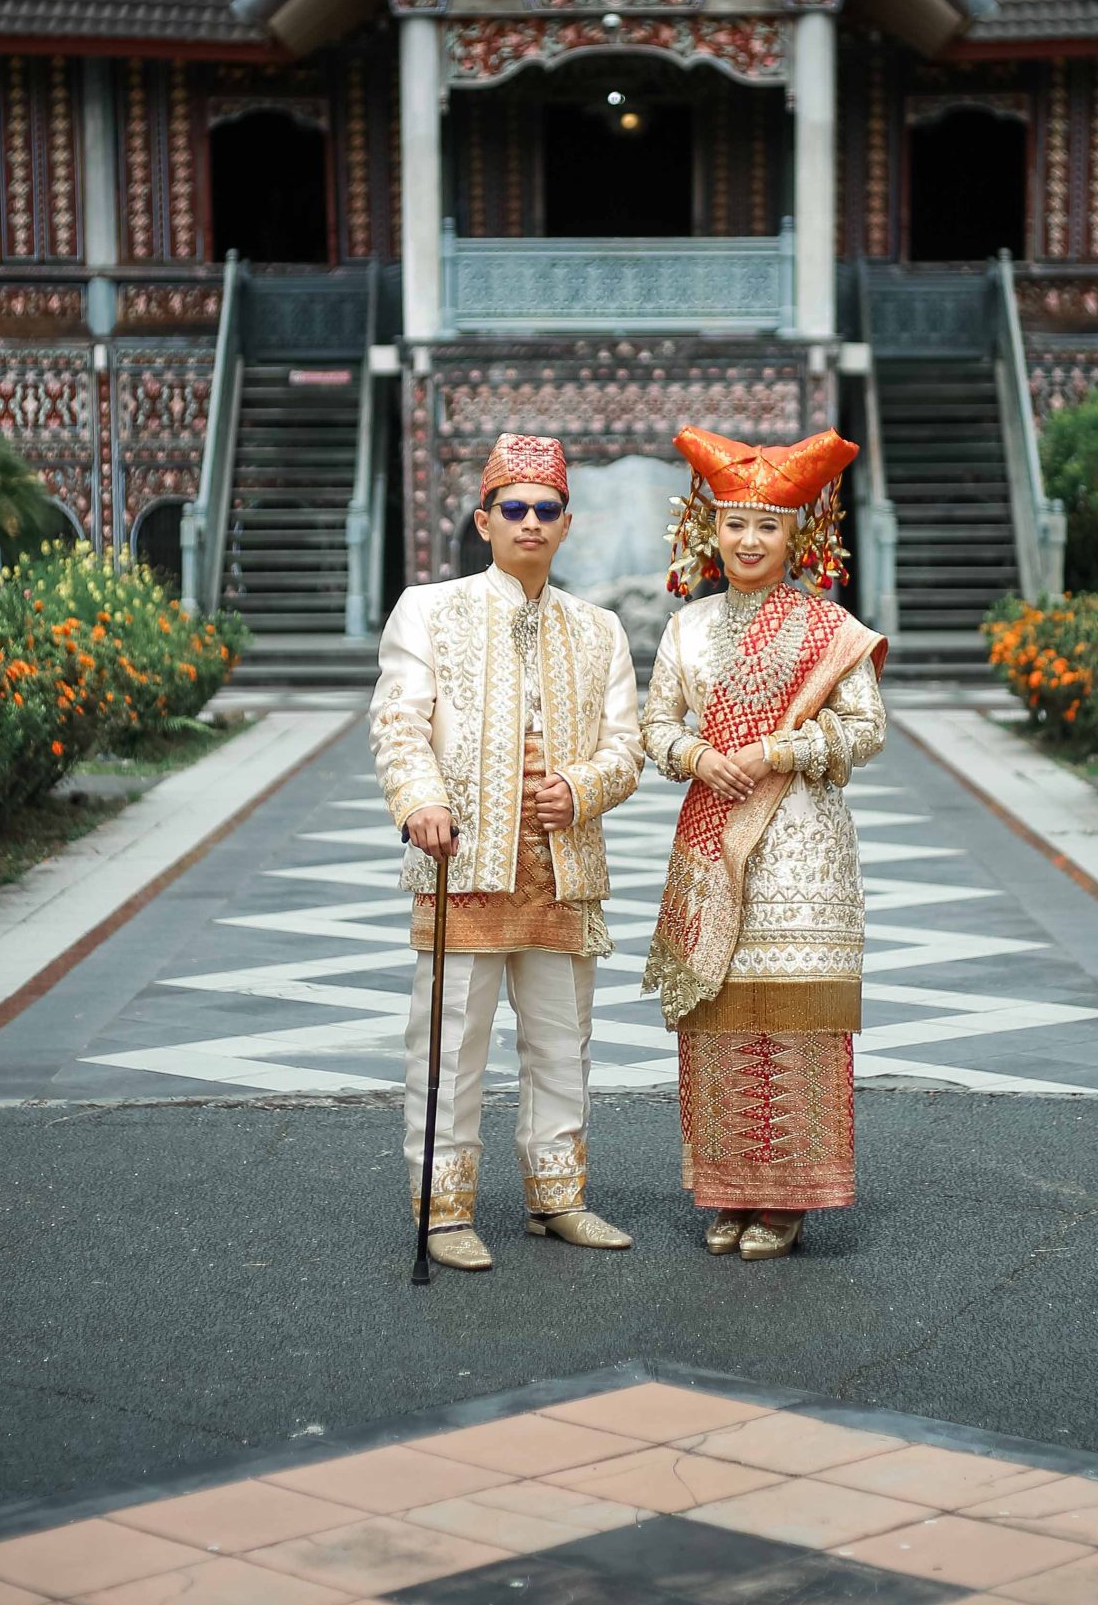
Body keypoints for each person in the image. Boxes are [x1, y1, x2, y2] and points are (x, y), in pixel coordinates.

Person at [370, 432, 643, 1271]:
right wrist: (420, 800)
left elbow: (625, 747)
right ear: (483, 520)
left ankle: (557, 1199)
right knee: (450, 1047)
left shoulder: (598, 629)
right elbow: (398, 721)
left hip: (561, 868)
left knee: (563, 1043)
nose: (530, 522)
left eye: (545, 510)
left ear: (566, 525)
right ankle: (443, 1211)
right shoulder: (429, 609)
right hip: (463, 863)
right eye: (513, 508)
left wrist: (582, 788)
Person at [641, 425, 887, 1260]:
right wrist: (697, 755)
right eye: (735, 523)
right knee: (717, 1018)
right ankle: (730, 1191)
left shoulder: (830, 627)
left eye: (767, 526)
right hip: (712, 837)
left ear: (797, 536)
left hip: (801, 852)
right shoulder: (686, 628)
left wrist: (778, 750)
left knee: (794, 1015)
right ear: (707, 529)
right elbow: (655, 725)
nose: (748, 540)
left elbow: (865, 728)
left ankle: (787, 1200)